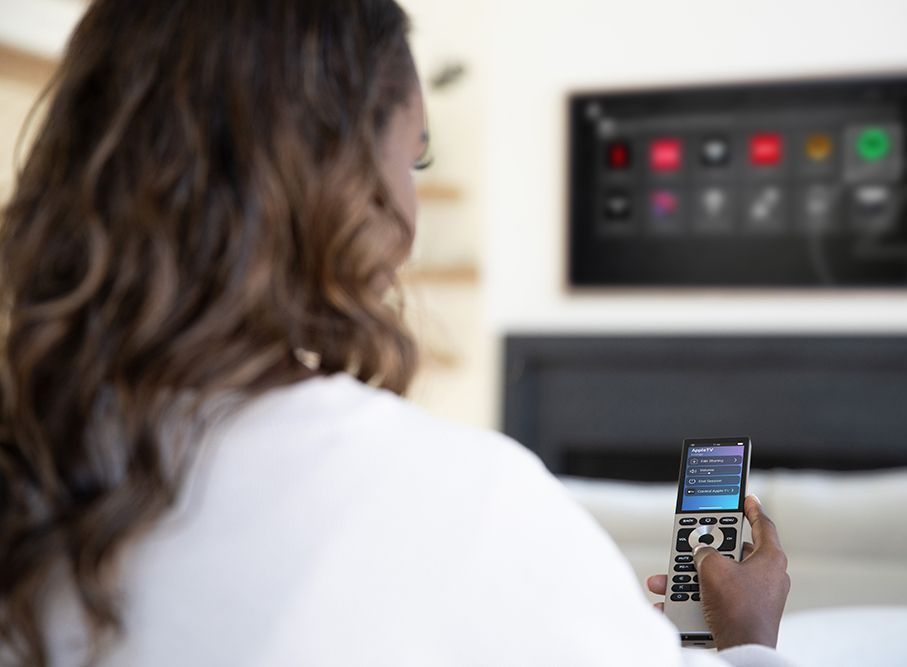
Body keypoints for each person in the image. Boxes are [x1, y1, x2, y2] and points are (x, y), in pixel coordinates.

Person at [0, 1, 792, 665]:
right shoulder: (475, 505)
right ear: (333, 180)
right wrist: (749, 636)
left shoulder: (32, 460)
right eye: (410, 159)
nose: (409, 216)